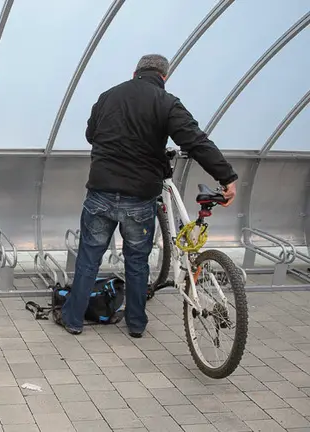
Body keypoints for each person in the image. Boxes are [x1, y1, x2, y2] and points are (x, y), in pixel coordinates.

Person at [54, 54, 238, 338]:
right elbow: (195, 140)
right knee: (137, 262)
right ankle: (136, 324)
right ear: (164, 77)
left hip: (101, 192)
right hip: (139, 198)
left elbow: (91, 134)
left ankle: (73, 319)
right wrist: (226, 177)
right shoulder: (166, 102)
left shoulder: (107, 97)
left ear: (134, 72)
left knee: (89, 257)